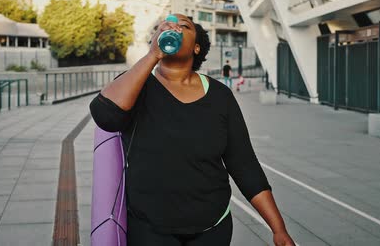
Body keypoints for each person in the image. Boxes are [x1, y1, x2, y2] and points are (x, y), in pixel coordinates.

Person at [90, 14, 295, 246]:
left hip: (212, 228)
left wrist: (278, 228)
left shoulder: (220, 96)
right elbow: (105, 116)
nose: (173, 28)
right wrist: (152, 55)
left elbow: (244, 164)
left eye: (184, 26)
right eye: (165, 26)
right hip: (150, 229)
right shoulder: (136, 85)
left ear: (197, 47)